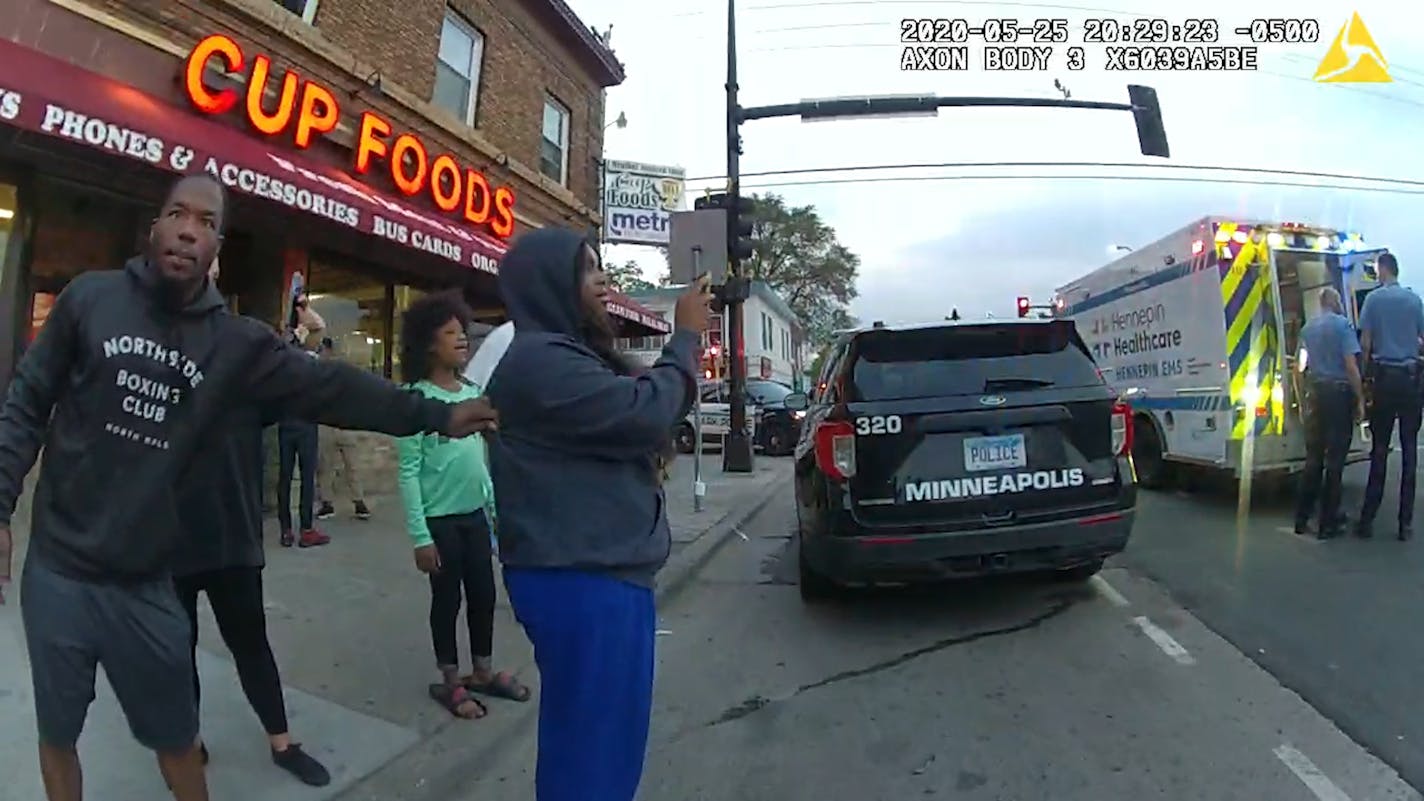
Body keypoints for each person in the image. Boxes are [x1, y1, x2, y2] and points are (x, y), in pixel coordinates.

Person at [0, 172, 498, 801]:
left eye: (206, 222)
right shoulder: (89, 300)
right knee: (59, 732)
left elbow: (332, 388)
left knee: (177, 741)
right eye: (178, 214)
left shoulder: (236, 345)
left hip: (148, 580)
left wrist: (436, 413)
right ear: (155, 227)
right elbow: (25, 402)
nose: (188, 229)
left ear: (217, 251)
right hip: (59, 572)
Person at [484, 227, 710, 801]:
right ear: (550, 285)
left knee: (593, 740)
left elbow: (625, 424)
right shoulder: (540, 358)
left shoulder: (566, 355)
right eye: (588, 269)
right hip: (582, 580)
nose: (603, 279)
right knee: (595, 752)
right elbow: (644, 413)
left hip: (597, 573)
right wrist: (684, 336)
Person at [168, 259, 330, 787]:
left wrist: (307, 342)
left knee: (250, 642)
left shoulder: (244, 348)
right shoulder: (153, 346)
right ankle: (187, 741)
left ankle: (282, 742)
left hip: (232, 532)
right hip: (167, 537)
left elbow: (301, 388)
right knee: (176, 647)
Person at [397, 291, 530, 721]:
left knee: (483, 595)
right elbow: (408, 474)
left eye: (463, 332)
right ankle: (451, 678)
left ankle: (483, 671)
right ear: (427, 344)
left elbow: (480, 460)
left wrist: (493, 510)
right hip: (439, 523)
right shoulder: (415, 402)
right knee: (446, 600)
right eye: (450, 333)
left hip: (475, 517)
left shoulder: (473, 392)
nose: (462, 340)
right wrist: (420, 537)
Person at [1355, 253, 1424, 540]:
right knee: (1409, 453)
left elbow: (1366, 342)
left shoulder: (1373, 300)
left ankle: (1368, 519)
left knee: (1380, 450)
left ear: (1383, 270)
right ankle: (1404, 524)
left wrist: (1363, 379)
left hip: (1384, 379)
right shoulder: (1414, 300)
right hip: (1410, 380)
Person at [1294, 287, 1364, 539]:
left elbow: (1298, 366)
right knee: (1335, 462)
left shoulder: (1308, 329)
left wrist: (1303, 398)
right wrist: (1360, 399)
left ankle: (1301, 518)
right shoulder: (1343, 326)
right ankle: (1328, 522)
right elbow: (1350, 366)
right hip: (1338, 396)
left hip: (1316, 395)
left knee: (1313, 459)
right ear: (1335, 303)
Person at [276, 302, 327, 547]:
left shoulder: (283, 357)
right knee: (306, 477)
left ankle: (286, 530)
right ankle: (306, 529)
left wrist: (298, 314)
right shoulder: (313, 363)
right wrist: (303, 310)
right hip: (306, 424)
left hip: (286, 423)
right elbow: (320, 325)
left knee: (285, 477)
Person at [315, 338, 373, 522]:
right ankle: (327, 503)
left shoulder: (342, 372)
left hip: (345, 423)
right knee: (325, 466)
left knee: (352, 464)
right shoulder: (319, 372)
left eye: (323, 349)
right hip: (327, 423)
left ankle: (358, 501)